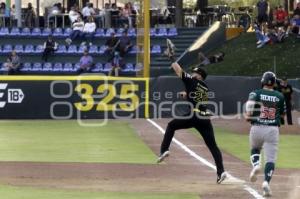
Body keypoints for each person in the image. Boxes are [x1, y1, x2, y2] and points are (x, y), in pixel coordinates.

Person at [156, 60, 227, 184]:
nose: (192, 74)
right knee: (213, 146)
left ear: (200, 76)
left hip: (194, 115)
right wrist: (185, 94)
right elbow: (192, 93)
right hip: (205, 118)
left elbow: (178, 70)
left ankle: (164, 150)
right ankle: (221, 172)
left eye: (195, 73)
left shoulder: (192, 81)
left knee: (171, 125)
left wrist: (171, 58)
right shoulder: (204, 87)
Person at [245, 71, 285, 197]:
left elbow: (249, 110)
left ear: (263, 81)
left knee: (255, 149)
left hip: (256, 127)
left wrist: (247, 116)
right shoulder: (280, 96)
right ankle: (266, 182)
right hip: (272, 129)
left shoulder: (255, 93)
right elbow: (283, 114)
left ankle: (256, 165)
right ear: (274, 83)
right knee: (271, 159)